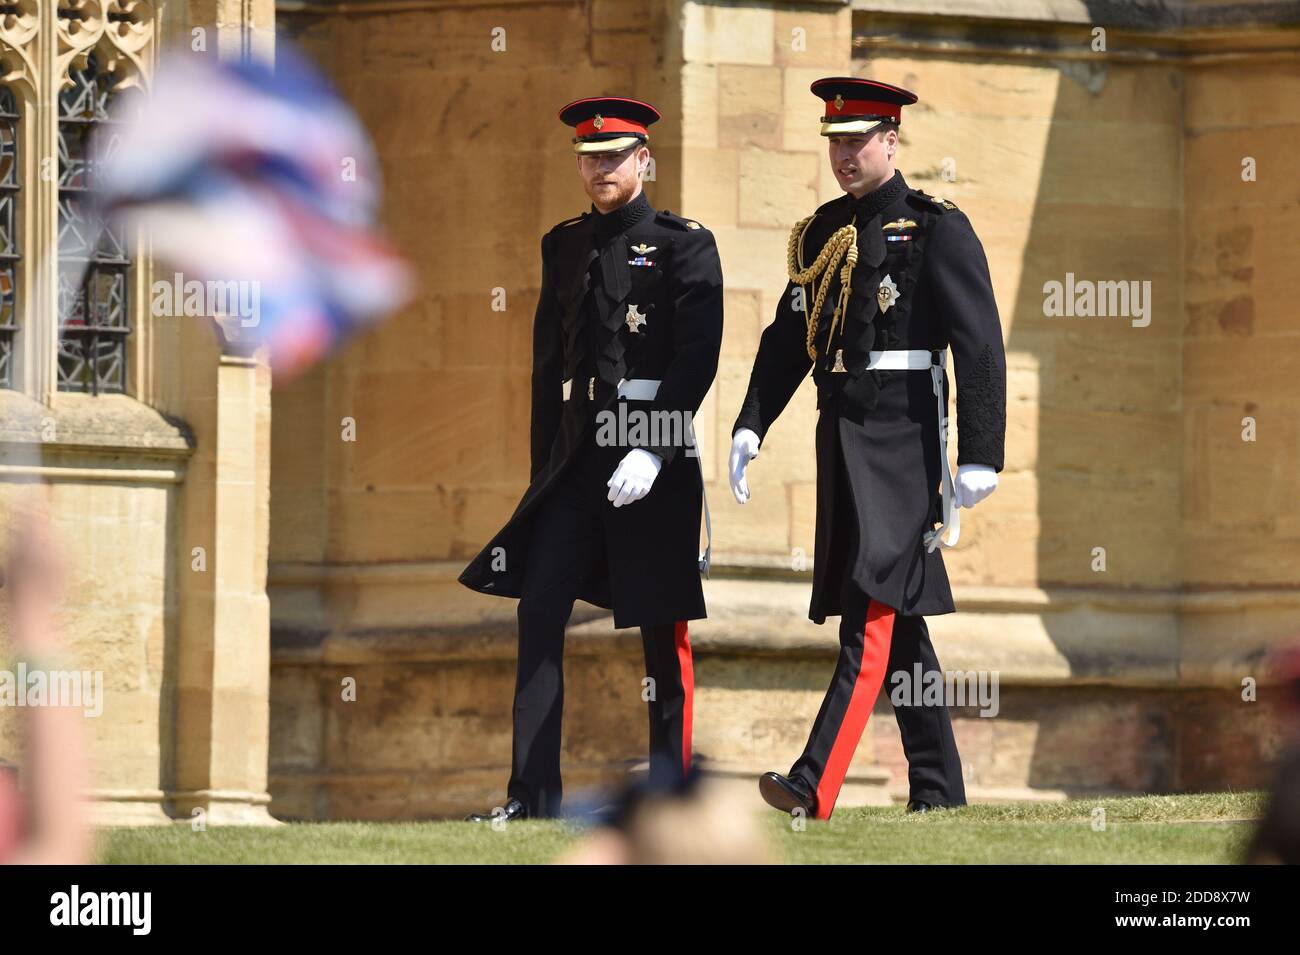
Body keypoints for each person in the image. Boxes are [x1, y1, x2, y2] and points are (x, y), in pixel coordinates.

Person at [729, 77, 1007, 820]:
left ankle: (813, 783)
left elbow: (979, 343)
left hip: (905, 439)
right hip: (842, 432)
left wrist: (981, 452)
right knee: (894, 618)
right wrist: (751, 421)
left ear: (891, 139)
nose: (844, 155)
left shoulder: (937, 226)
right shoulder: (821, 232)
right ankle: (940, 790)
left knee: (872, 616)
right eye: (835, 142)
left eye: (857, 140)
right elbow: (790, 339)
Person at [459, 96, 724, 821]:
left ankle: (675, 796)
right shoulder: (564, 243)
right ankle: (532, 796)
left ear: (644, 160)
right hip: (576, 460)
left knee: (661, 630)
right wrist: (543, 470)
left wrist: (654, 443)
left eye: (613, 155)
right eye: (588, 156)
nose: (599, 167)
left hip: (651, 456)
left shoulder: (685, 245)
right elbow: (550, 369)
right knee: (540, 611)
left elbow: (697, 357)